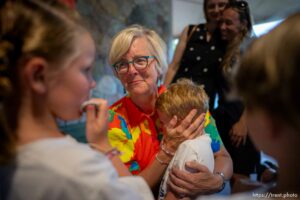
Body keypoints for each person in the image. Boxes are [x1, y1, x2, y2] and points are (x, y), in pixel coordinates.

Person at [0, 1, 153, 199]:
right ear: (38, 75)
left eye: (141, 60)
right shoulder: (79, 172)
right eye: (86, 70)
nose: (92, 84)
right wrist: (103, 144)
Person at [107, 24, 233, 198]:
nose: (131, 70)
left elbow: (224, 157)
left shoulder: (185, 101)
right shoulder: (114, 120)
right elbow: (129, 190)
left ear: (158, 65)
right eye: (122, 64)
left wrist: (216, 181)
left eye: (140, 60)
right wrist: (168, 150)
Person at [214, 0, 262, 184]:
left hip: (243, 119)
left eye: (228, 23)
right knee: (234, 176)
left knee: (243, 177)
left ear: (243, 23)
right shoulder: (228, 48)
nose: (222, 27)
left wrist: (244, 122)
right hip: (227, 117)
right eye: (221, 22)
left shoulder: (250, 47)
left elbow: (258, 91)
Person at [164, 0, 235, 111]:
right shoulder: (190, 30)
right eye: (211, 6)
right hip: (176, 95)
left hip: (203, 103)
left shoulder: (228, 38)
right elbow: (174, 66)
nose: (216, 9)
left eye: (221, 5)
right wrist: (163, 93)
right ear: (205, 9)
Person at [155, 78, 215, 200]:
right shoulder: (203, 141)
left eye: (162, 122)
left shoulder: (189, 148)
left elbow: (177, 193)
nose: (160, 126)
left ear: (183, 123)